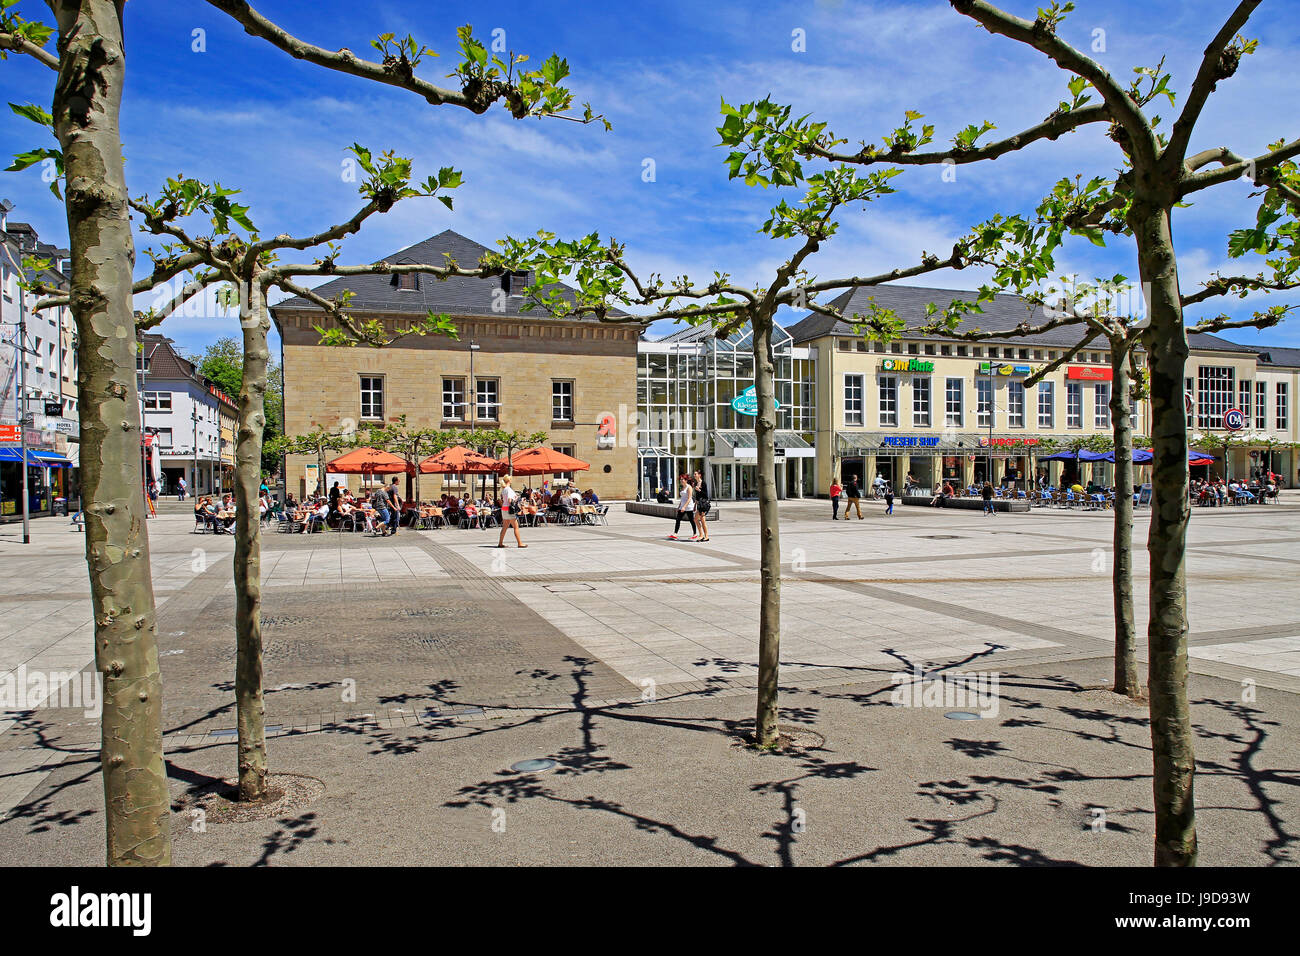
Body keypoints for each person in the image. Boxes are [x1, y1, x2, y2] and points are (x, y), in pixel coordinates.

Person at [496, 474, 527, 548]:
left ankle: (500, 543)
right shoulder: (509, 489)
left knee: (504, 527)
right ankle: (520, 543)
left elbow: (504, 500)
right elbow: (510, 500)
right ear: (509, 481)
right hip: (509, 510)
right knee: (516, 527)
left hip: (504, 509)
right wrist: (518, 499)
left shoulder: (504, 490)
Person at [668, 474, 695, 540]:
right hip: (682, 506)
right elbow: (682, 498)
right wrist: (679, 506)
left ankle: (695, 534)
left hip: (689, 507)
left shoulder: (689, 487)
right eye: (680, 479)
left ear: (686, 480)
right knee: (678, 519)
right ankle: (675, 534)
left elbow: (689, 498)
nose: (681, 480)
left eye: (682, 479)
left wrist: (684, 507)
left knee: (691, 520)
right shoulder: (682, 487)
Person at [693, 471, 711, 541]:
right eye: (694, 474)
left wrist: (699, 490)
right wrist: (695, 505)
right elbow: (697, 497)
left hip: (703, 504)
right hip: (699, 504)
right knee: (696, 519)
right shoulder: (696, 483)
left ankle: (706, 536)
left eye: (695, 474)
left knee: (702, 521)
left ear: (699, 475)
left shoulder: (703, 483)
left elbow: (706, 495)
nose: (694, 475)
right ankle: (701, 535)